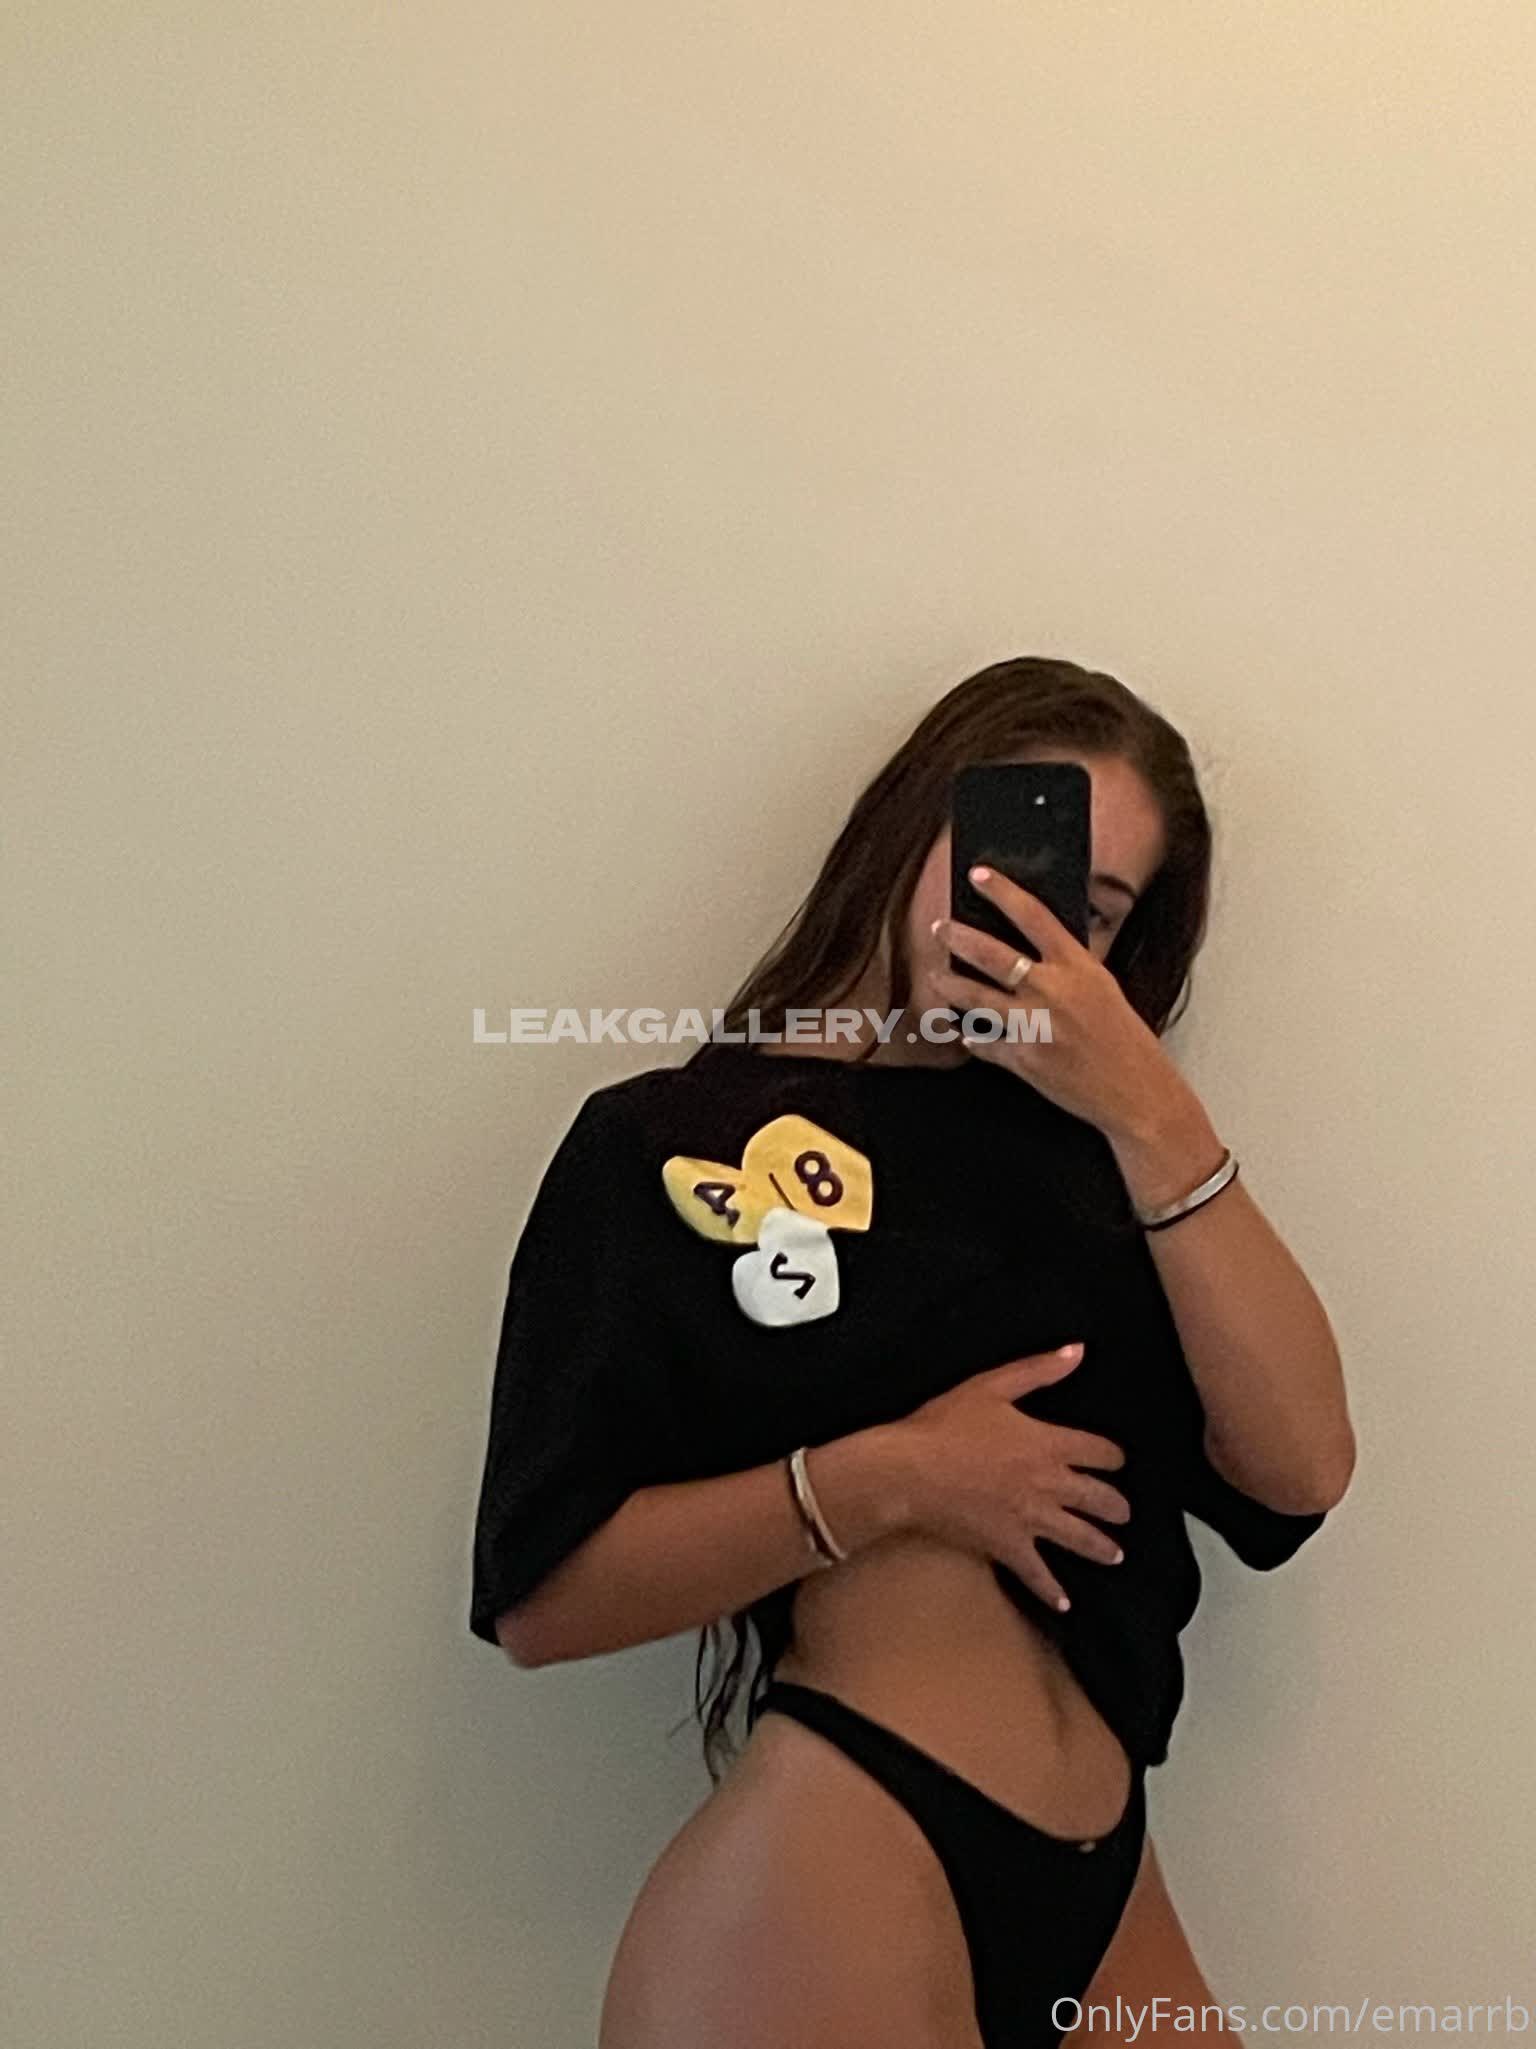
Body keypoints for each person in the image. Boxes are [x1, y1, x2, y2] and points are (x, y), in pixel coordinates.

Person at [467, 655, 1356, 2049]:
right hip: (843, 1851)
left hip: (1108, 1875)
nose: (1027, 920)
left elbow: (1299, 1470)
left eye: (1088, 908)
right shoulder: (666, 1142)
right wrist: (894, 1478)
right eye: (1001, 856)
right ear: (911, 821)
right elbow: (543, 1597)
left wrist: (1154, 1113)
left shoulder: (1107, 1166)